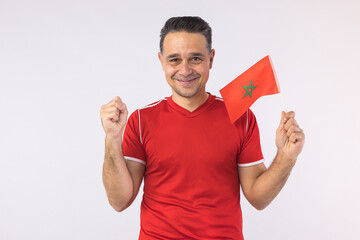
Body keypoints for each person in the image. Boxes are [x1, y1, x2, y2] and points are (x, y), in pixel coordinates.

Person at [100, 16, 305, 240]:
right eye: (174, 60)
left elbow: (258, 198)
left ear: (211, 58)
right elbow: (119, 201)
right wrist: (112, 138)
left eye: (195, 58)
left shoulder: (241, 117)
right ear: (161, 61)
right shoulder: (141, 120)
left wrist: (286, 158)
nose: (185, 70)